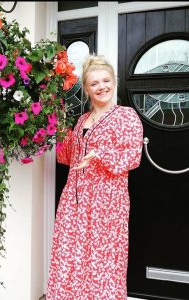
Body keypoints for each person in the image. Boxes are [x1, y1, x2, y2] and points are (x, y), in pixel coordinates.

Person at [46, 54, 143, 299]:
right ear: (87, 90)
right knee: (71, 257)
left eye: (106, 81)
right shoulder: (81, 121)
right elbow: (68, 156)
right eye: (94, 83)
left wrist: (99, 154)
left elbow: (132, 157)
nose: (102, 87)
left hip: (106, 206)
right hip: (74, 202)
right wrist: (54, 130)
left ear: (114, 82)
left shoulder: (126, 116)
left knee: (103, 262)